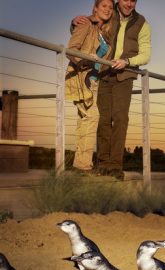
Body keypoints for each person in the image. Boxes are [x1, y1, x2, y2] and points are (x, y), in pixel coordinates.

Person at [73, 0, 152, 180]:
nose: (129, 4)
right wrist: (74, 22)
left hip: (125, 75)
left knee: (120, 118)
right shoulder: (109, 12)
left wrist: (127, 61)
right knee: (103, 118)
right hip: (103, 72)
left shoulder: (142, 24)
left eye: (133, 0)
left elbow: (146, 54)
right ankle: (102, 163)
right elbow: (91, 29)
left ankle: (115, 165)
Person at [65, 0, 115, 174]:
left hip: (95, 82)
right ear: (95, 8)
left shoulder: (103, 32)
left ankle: (80, 164)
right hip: (81, 78)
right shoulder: (85, 23)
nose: (107, 10)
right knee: (92, 117)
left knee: (85, 121)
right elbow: (71, 50)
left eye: (110, 7)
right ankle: (83, 166)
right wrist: (88, 59)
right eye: (104, 6)